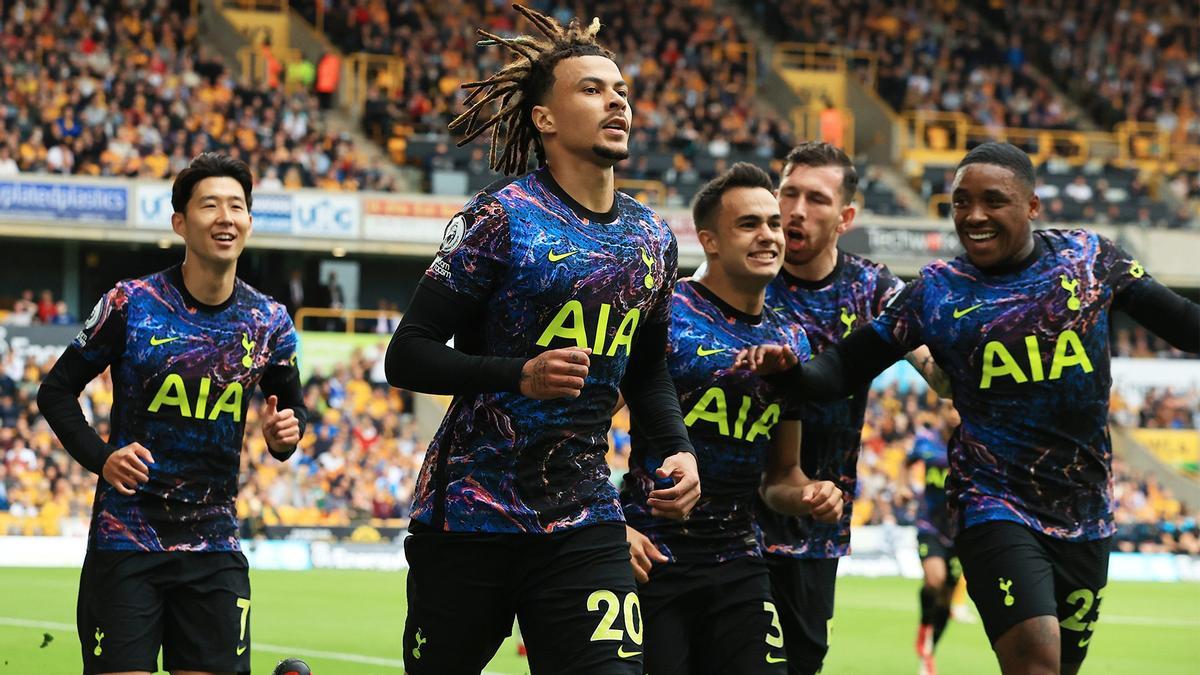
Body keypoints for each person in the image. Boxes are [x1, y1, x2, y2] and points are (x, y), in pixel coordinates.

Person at [739, 142, 1200, 675]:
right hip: (990, 499)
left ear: (1031, 205)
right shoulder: (937, 291)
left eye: (992, 201)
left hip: (1085, 509)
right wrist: (790, 371)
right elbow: (843, 367)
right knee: (1036, 659)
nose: (974, 215)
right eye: (961, 202)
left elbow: (1186, 325)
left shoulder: (1091, 260)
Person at [384, 6, 701, 673]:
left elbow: (645, 371)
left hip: (584, 516)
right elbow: (406, 352)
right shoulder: (500, 217)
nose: (615, 100)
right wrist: (518, 373)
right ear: (544, 118)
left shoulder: (653, 239)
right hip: (471, 513)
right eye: (591, 89)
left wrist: (676, 447)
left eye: (620, 91)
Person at [37, 153, 307, 675]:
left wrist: (284, 437)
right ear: (180, 222)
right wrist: (103, 457)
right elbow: (55, 391)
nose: (225, 217)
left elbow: (289, 415)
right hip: (126, 541)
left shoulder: (270, 321)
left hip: (214, 545)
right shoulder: (130, 303)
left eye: (236, 206)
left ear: (249, 221)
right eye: (209, 205)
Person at [621, 163, 843, 674]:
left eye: (772, 223)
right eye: (749, 224)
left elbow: (779, 477)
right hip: (652, 561)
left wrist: (810, 493)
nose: (769, 235)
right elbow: (583, 428)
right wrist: (613, 528)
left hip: (740, 564)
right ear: (710, 240)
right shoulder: (665, 314)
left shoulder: (791, 341)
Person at [755, 142, 949, 675]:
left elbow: (935, 368)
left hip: (812, 527)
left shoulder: (873, 289)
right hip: (720, 519)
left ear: (845, 218)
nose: (795, 209)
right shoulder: (739, 270)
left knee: (799, 664)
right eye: (788, 192)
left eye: (815, 199)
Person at [905, 403, 962, 675]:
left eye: (958, 407)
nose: (954, 413)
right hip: (930, 524)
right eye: (949, 407)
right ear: (941, 410)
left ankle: (930, 650)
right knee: (934, 580)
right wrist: (904, 487)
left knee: (948, 599)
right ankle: (924, 625)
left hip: (961, 532)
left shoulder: (972, 445)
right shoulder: (926, 442)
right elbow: (907, 463)